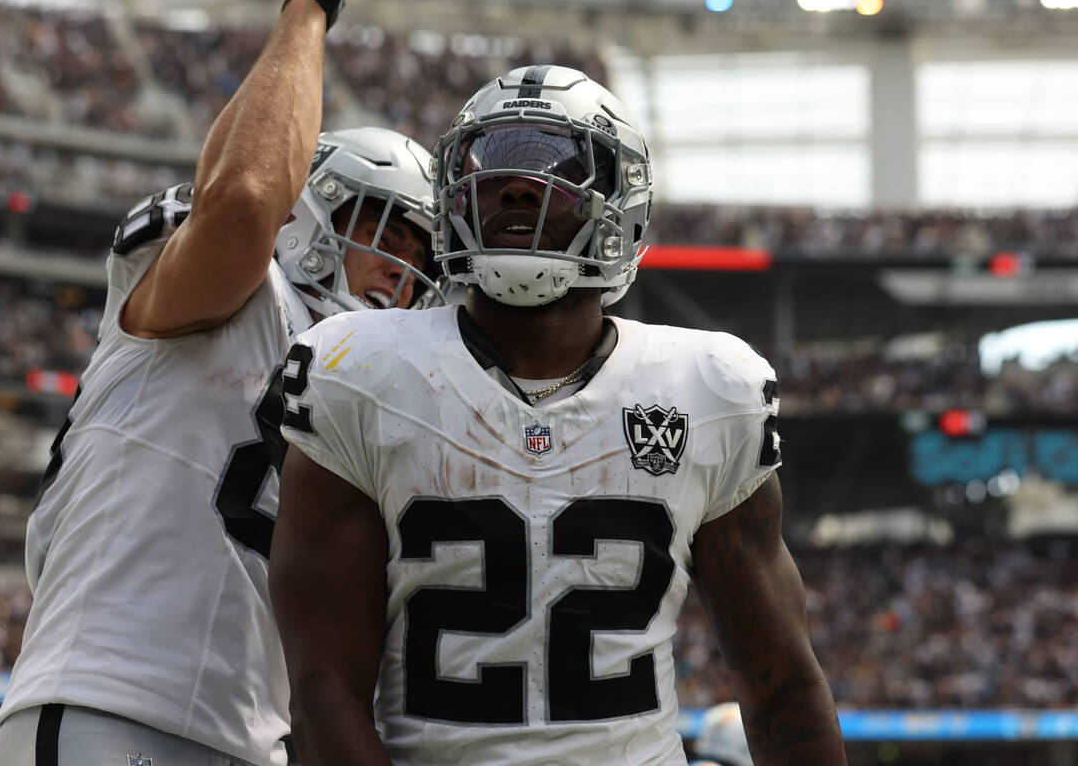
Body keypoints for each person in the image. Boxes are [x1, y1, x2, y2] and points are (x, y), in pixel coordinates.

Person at [268, 65, 846, 765]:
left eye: (557, 163)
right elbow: (323, 689)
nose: (516, 184)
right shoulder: (361, 372)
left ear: (621, 203)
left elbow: (783, 688)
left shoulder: (710, 388)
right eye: (491, 161)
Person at [0, 0, 446, 766]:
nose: (398, 270)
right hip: (115, 705)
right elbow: (239, 203)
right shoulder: (244, 292)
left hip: (249, 738)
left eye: (418, 258)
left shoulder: (373, 396)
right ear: (307, 212)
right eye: (382, 231)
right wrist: (311, 4)